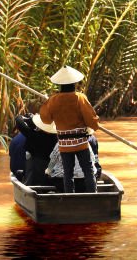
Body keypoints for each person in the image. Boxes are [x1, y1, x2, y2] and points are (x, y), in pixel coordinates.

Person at [37, 65, 100, 193]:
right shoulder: (80, 98)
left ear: (60, 85)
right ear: (74, 83)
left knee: (68, 172)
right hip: (81, 143)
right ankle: (93, 195)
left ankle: (69, 196)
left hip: (64, 144)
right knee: (88, 170)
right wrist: (95, 124)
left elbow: (46, 120)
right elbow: (92, 121)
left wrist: (49, 103)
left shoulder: (53, 100)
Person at [14, 113, 58, 185]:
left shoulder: (35, 136)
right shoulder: (55, 137)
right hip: (50, 169)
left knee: (33, 178)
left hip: (36, 167)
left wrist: (25, 117)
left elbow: (20, 123)